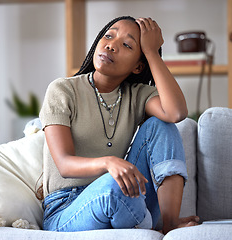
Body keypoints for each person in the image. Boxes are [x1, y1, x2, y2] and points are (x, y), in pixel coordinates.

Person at [39, 16, 199, 234]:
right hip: (66, 209)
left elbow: (176, 112)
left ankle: (169, 224)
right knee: (113, 186)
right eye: (108, 35)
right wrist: (109, 163)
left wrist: (152, 52)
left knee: (162, 125)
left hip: (122, 196)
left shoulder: (136, 95)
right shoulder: (62, 90)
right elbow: (65, 165)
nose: (111, 45)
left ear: (138, 66)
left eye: (126, 45)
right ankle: (143, 224)